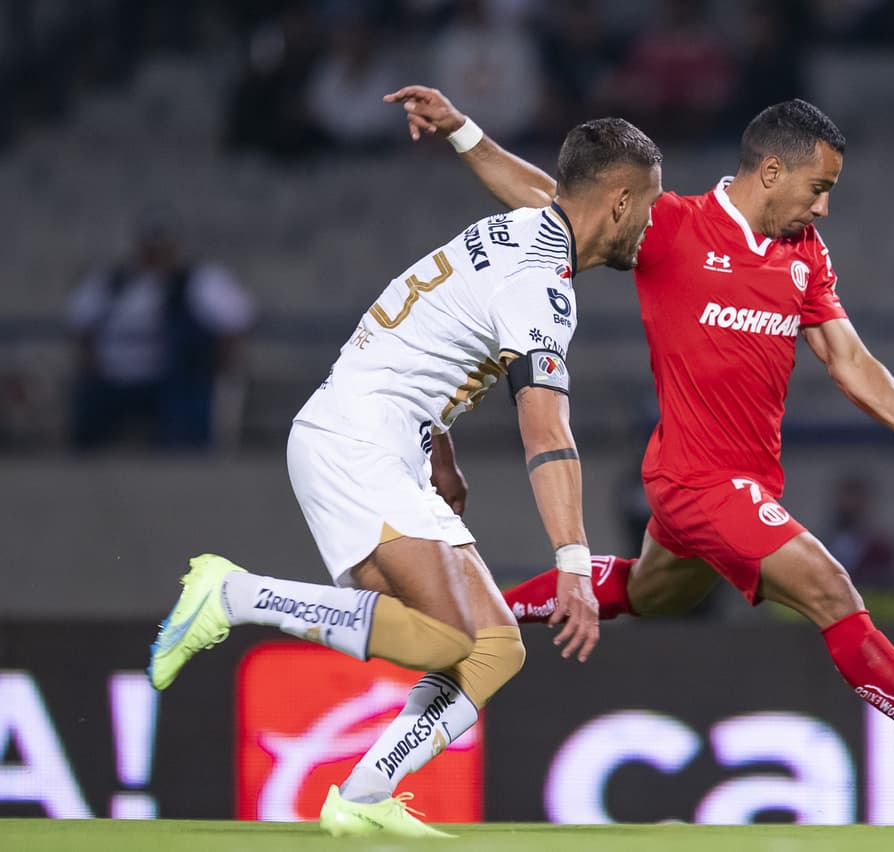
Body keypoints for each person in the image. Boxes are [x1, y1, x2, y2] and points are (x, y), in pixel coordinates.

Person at [389, 86, 894, 801]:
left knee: (646, 591)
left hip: (745, 482)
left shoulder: (805, 256)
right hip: (695, 481)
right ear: (770, 174)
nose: (822, 208)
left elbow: (849, 360)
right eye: (818, 189)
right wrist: (463, 132)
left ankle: (477, 619)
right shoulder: (673, 226)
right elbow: (552, 199)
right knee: (830, 589)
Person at [147, 117, 665, 837]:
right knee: (466, 643)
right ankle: (233, 594)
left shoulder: (525, 226)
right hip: (359, 441)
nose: (651, 224)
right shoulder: (541, 290)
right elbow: (547, 432)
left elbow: (432, 333)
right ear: (617, 201)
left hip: (368, 435)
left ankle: (362, 794)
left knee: (488, 646)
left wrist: (440, 455)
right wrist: (572, 561)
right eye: (648, 204)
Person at [67, 204, 254, 450]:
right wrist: (91, 363)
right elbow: (81, 319)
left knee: (187, 407)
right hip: (114, 377)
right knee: (89, 408)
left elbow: (235, 319)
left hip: (175, 377)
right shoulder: (113, 281)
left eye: (162, 245)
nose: (155, 253)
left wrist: (219, 364)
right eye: (150, 245)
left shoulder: (198, 280)